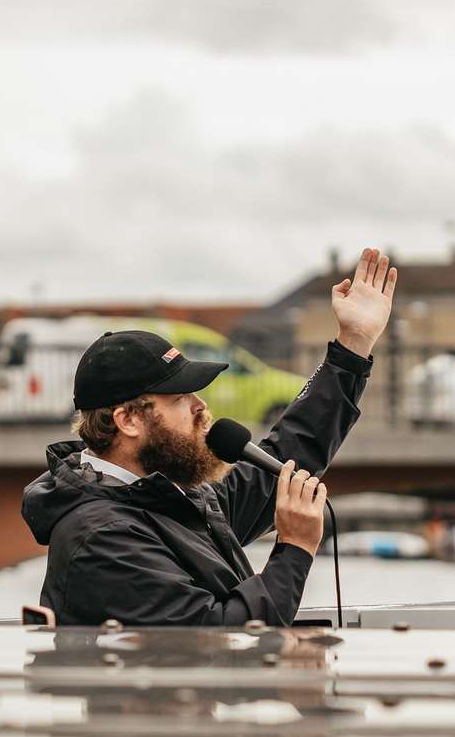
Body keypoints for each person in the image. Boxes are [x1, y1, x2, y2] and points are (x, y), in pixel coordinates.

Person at [22, 248, 398, 627]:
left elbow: (285, 458)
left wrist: (352, 347)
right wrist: (294, 549)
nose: (200, 406)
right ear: (128, 420)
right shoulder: (103, 538)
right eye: (180, 397)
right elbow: (215, 638)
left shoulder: (173, 498)